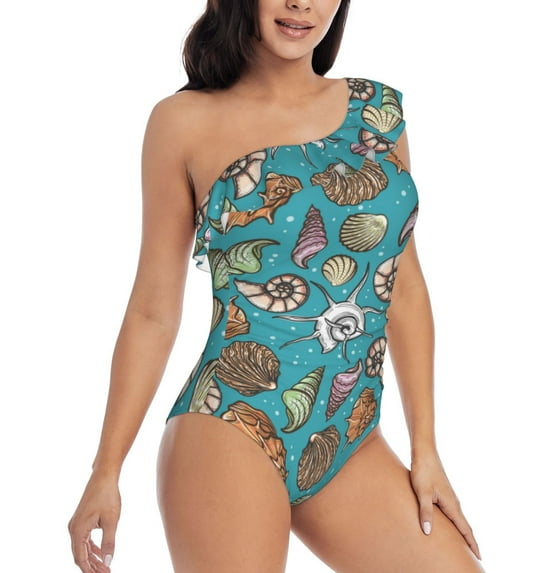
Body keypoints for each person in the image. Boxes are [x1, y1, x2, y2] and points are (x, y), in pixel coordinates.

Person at [68, 1, 486, 571]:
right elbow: (152, 313)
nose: (301, 3)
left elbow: (403, 286)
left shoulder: (377, 110)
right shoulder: (182, 122)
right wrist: (106, 471)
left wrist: (426, 450)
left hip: (349, 436)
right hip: (231, 423)